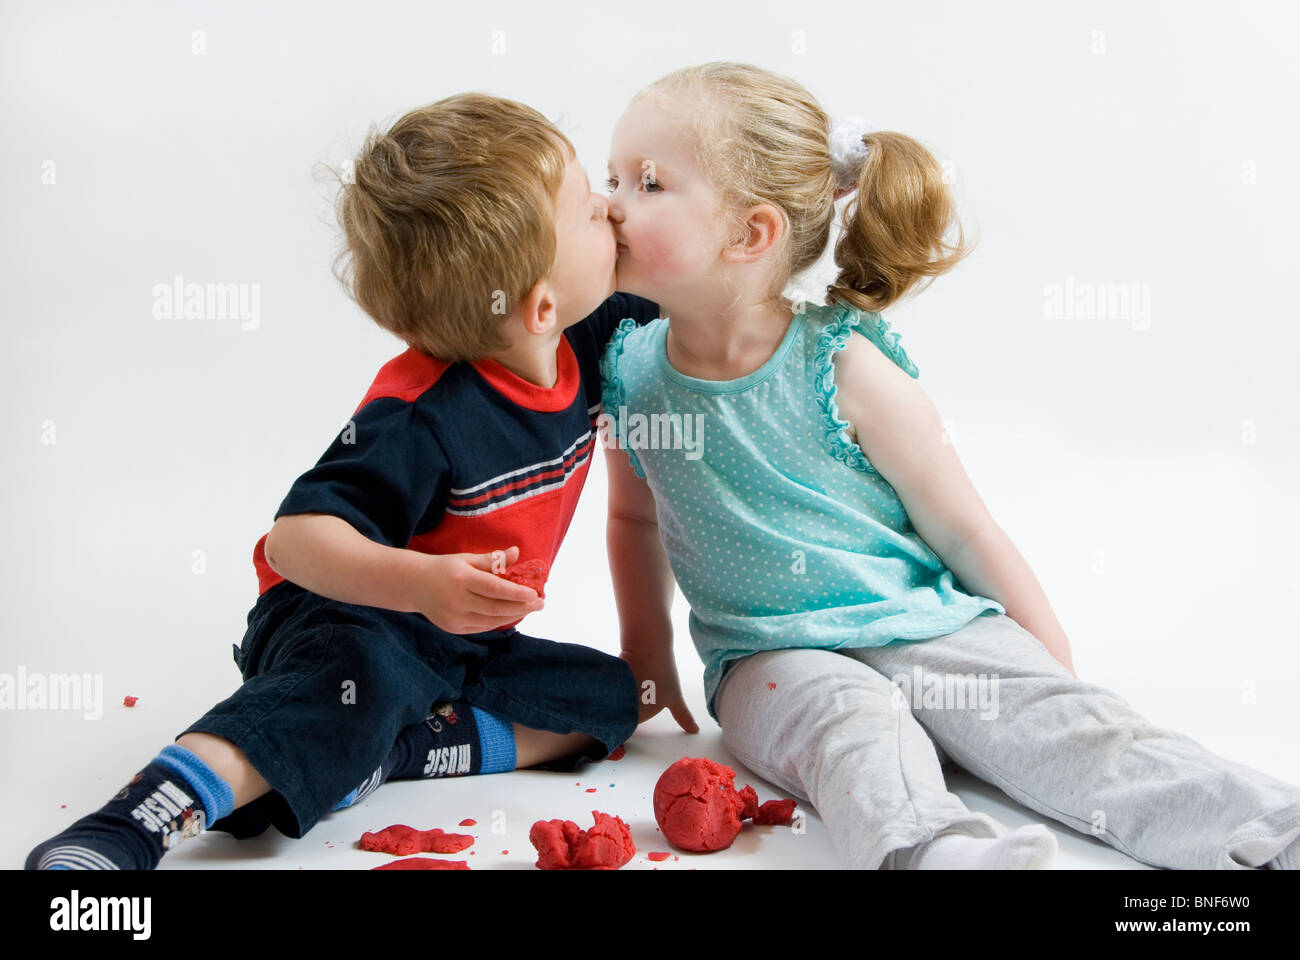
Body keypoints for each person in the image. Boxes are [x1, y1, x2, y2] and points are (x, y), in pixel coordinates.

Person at [598, 61, 1300, 870]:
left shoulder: (843, 365)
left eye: (647, 183)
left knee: (1084, 740)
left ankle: (1269, 829)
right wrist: (646, 653)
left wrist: (1045, 665)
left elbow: (965, 529)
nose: (608, 201)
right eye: (611, 175)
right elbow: (633, 516)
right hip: (765, 660)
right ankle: (937, 855)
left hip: (924, 626)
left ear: (750, 233)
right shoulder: (631, 370)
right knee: (851, 729)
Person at [25, 92, 659, 870]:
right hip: (341, 616)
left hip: (458, 643)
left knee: (609, 699)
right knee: (355, 678)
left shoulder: (586, 334)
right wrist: (419, 582)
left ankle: (387, 751)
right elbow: (295, 542)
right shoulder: (423, 415)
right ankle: (129, 824)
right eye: (589, 205)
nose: (611, 208)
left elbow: (697, 276)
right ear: (539, 304)